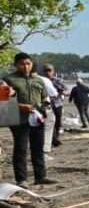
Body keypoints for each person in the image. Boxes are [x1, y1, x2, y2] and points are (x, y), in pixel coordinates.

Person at [4, 53, 56, 187]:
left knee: (38, 147)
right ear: (16, 65)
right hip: (18, 118)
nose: (25, 67)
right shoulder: (8, 80)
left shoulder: (39, 80)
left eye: (28, 63)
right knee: (21, 148)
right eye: (22, 64)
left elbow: (44, 97)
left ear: (32, 64)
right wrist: (22, 106)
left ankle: (40, 176)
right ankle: (22, 179)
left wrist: (46, 104)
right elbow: (3, 101)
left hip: (37, 117)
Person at [42, 64, 67, 148]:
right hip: (47, 104)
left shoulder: (57, 80)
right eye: (46, 71)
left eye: (49, 71)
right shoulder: (42, 81)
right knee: (50, 121)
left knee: (58, 121)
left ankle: (56, 137)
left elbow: (65, 90)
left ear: (53, 72)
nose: (47, 72)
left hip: (58, 103)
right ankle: (54, 140)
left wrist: (62, 92)